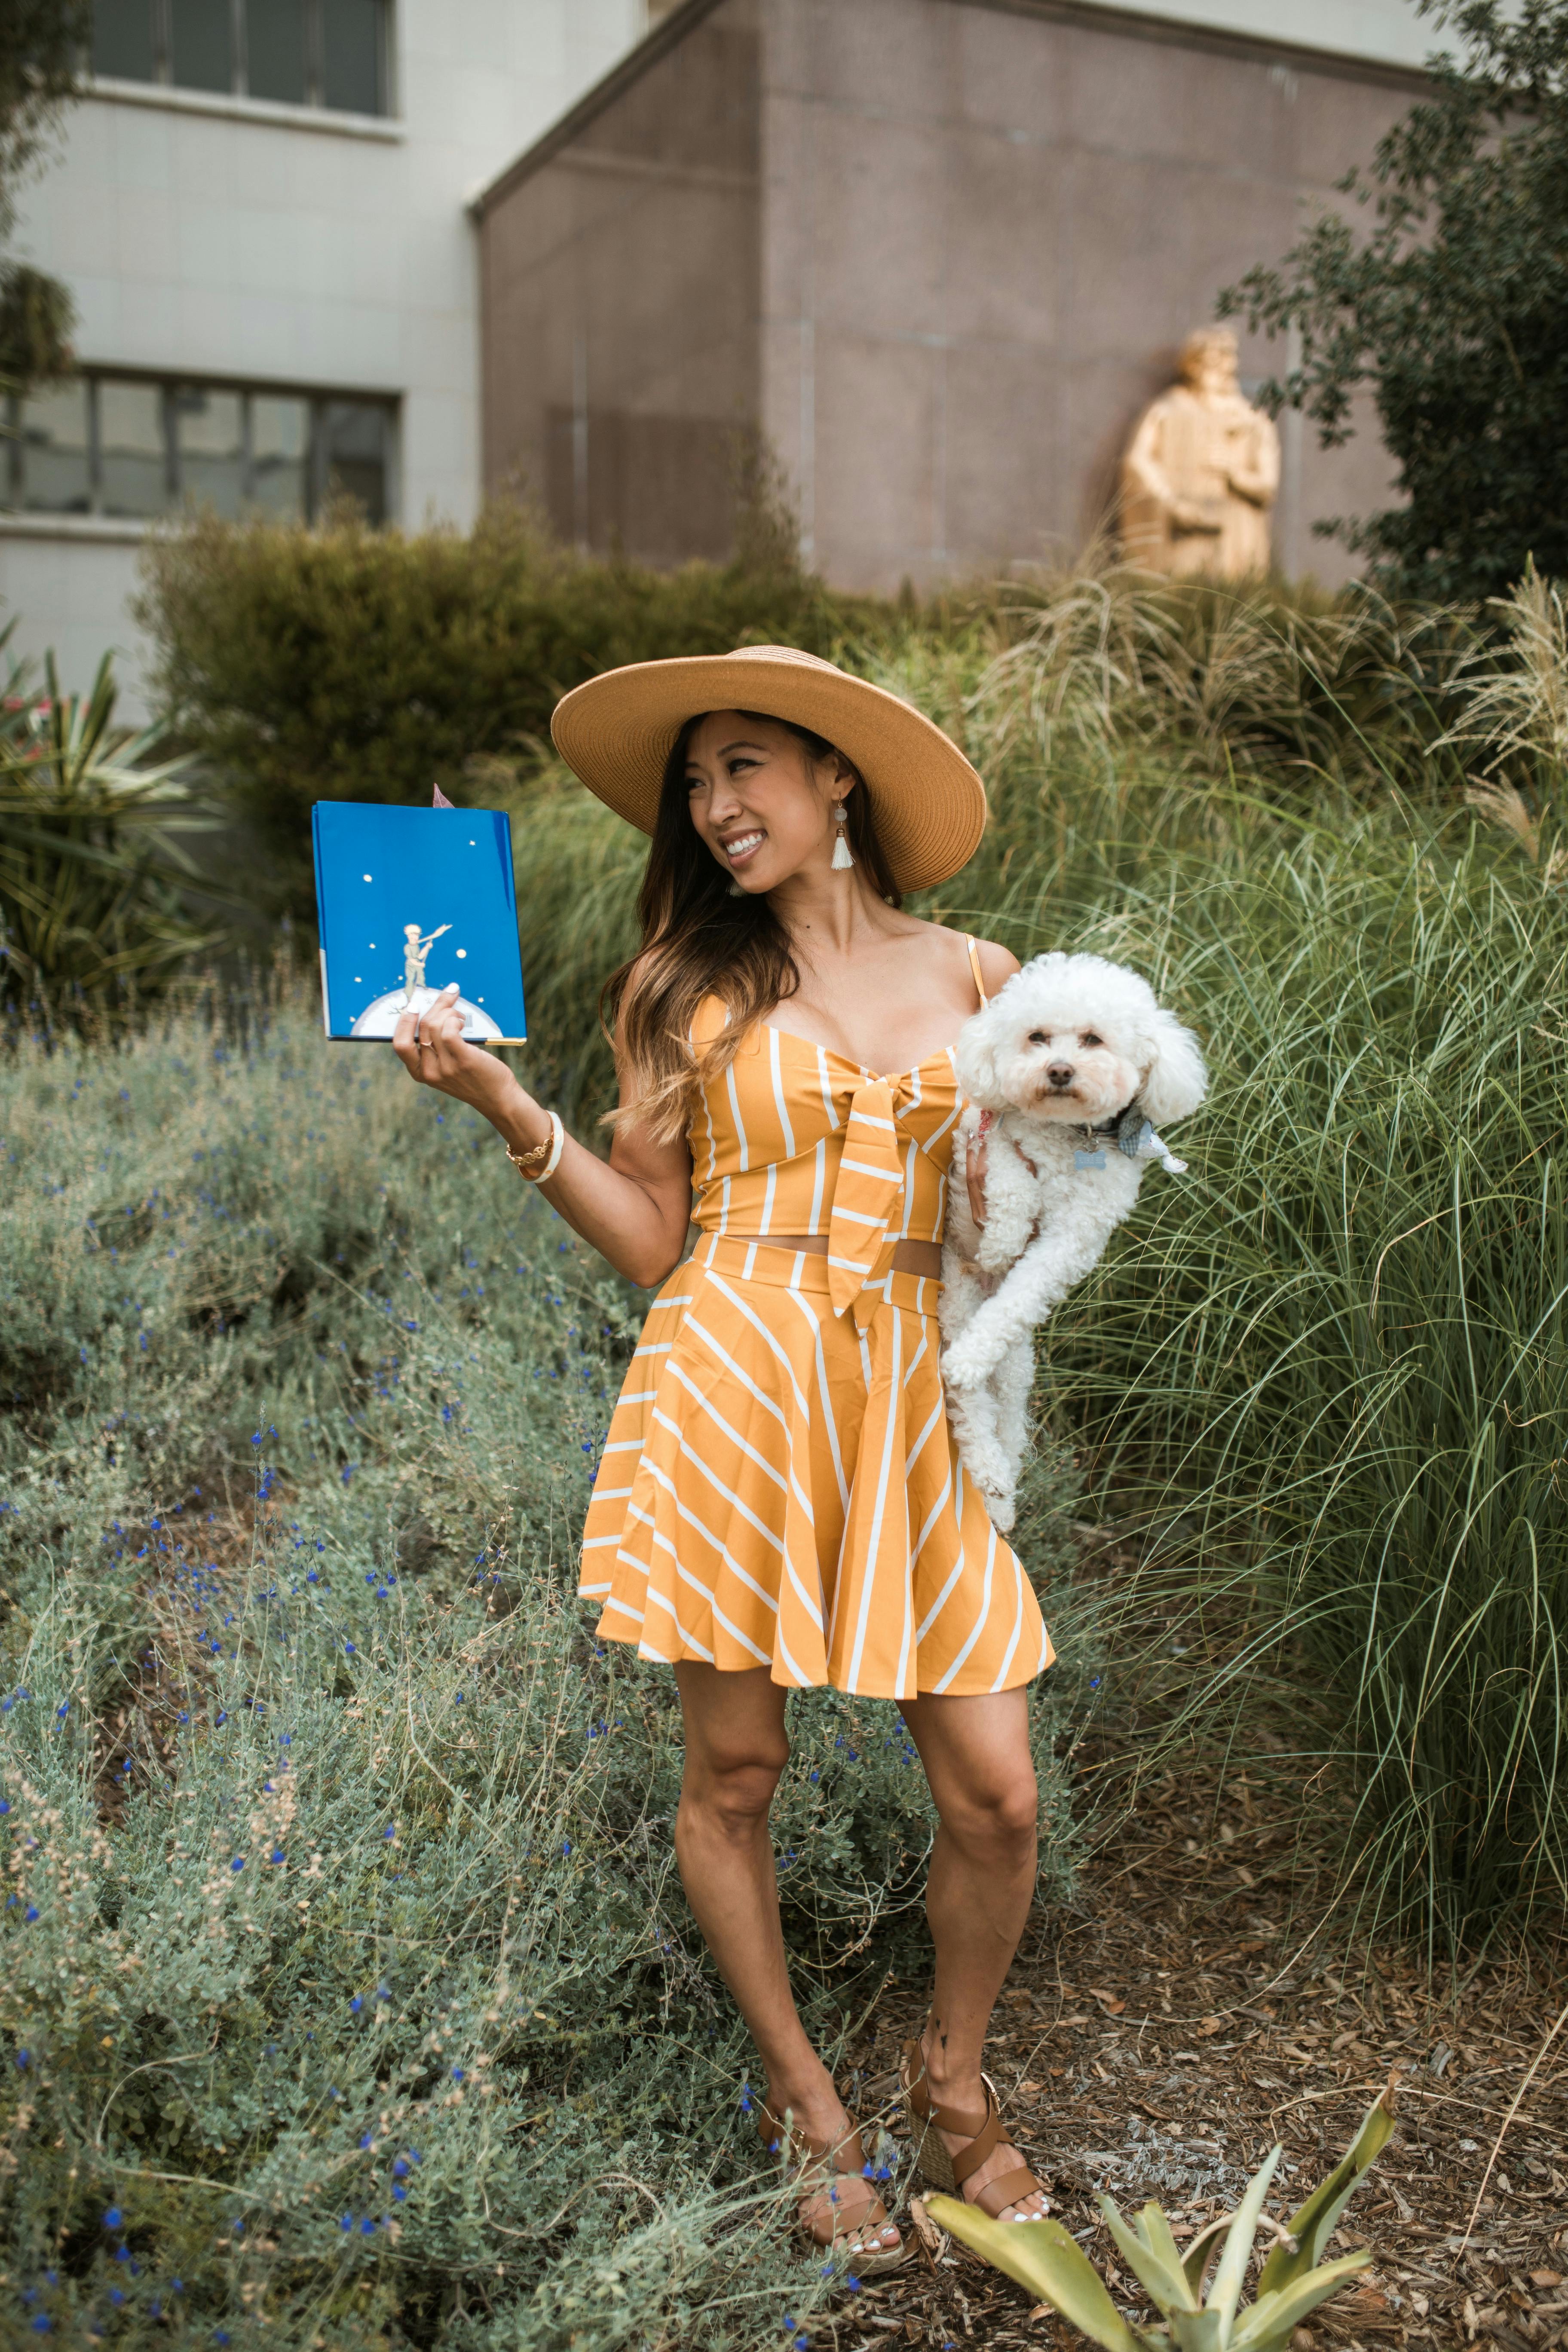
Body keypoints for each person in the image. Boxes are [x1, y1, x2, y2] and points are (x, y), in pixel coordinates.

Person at [392, 646, 1056, 2270]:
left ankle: (950, 2082)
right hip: (732, 1382)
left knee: (998, 1794)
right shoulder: (684, 986)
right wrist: (501, 1104)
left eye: (745, 765)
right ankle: (805, 2099)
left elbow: (1017, 1219)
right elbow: (654, 1241)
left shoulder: (984, 976)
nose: (713, 805)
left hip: (912, 1401)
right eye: (697, 781)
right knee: (737, 1774)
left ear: (841, 777)